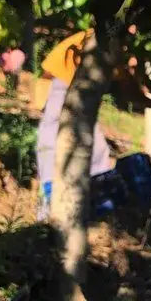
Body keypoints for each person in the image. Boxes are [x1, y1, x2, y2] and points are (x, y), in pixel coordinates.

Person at [33, 31, 116, 221]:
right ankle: (51, 212)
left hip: (72, 80)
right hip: (66, 79)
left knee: (93, 148)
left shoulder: (118, 39)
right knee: (62, 143)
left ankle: (88, 208)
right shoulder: (109, 38)